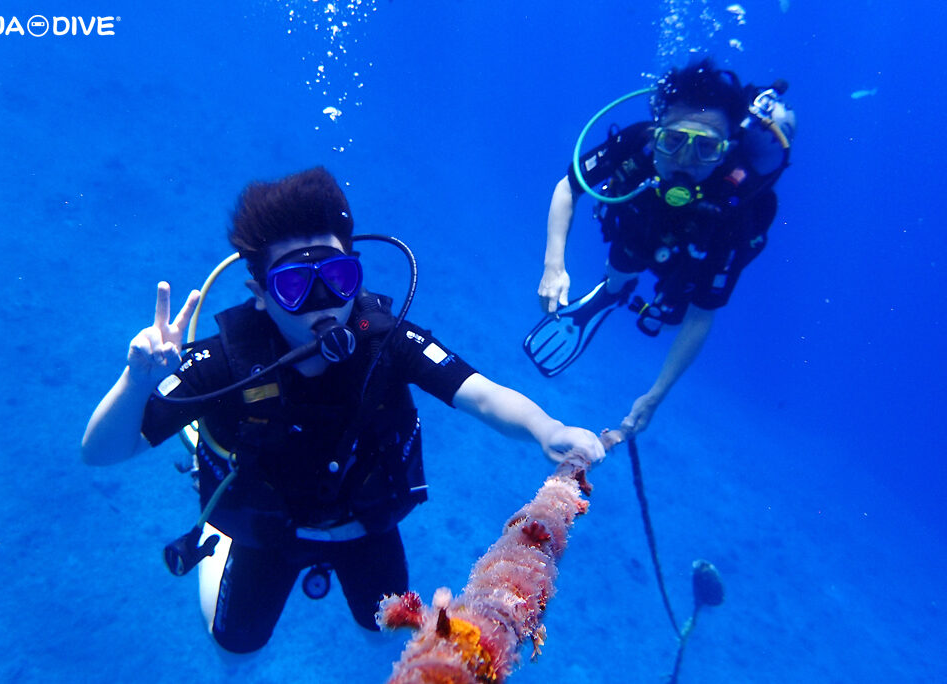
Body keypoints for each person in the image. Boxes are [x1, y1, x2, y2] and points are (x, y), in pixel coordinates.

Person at [81, 167, 605, 655]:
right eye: (293, 286)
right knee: (236, 647)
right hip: (268, 534)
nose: (322, 302)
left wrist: (547, 428)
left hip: (366, 527)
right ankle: (217, 545)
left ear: (355, 274)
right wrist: (136, 381)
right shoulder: (224, 363)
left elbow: (479, 392)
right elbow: (103, 452)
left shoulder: (386, 342)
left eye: (337, 277)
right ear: (260, 295)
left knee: (385, 635)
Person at [526, 57, 794, 435]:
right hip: (639, 227)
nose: (685, 162)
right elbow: (569, 186)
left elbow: (702, 316)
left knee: (670, 320)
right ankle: (613, 291)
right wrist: (554, 265)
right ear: (655, 133)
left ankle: (639, 295)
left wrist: (655, 395)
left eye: (706, 149)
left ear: (727, 148)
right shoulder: (636, 144)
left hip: (695, 251)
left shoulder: (735, 207)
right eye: (673, 141)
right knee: (620, 267)